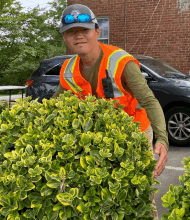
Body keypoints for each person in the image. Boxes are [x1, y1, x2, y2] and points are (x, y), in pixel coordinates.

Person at [52, 4, 169, 219]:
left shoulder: (121, 62)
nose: (78, 36)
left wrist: (162, 138)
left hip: (136, 132)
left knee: (140, 193)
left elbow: (149, 101)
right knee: (103, 194)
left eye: (84, 30)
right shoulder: (68, 69)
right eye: (71, 32)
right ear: (64, 38)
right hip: (100, 139)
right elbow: (53, 107)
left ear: (97, 31)